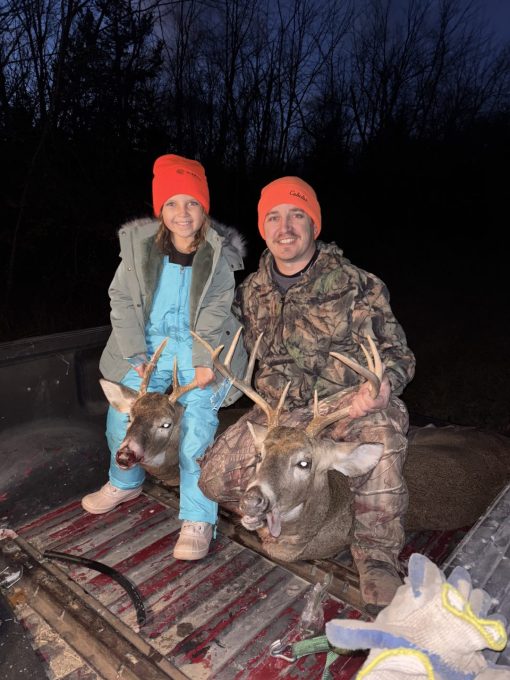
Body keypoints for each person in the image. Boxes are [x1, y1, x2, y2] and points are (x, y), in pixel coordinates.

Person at [199, 176, 415, 609]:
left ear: (314, 224)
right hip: (277, 415)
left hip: (340, 407)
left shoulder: (356, 284)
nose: (285, 228)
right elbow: (220, 336)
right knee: (211, 480)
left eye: (297, 215)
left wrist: (381, 385)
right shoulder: (251, 290)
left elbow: (398, 354)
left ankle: (376, 555)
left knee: (384, 430)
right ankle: (289, 500)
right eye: (274, 217)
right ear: (263, 228)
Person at [81, 154, 247, 561]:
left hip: (198, 348)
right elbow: (121, 299)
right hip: (148, 348)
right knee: (122, 415)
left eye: (192, 203)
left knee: (197, 428)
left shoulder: (218, 255)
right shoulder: (140, 250)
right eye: (171, 203)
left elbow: (216, 309)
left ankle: (197, 517)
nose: (182, 213)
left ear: (204, 208)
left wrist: (205, 360)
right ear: (160, 209)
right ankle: (124, 481)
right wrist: (133, 350)